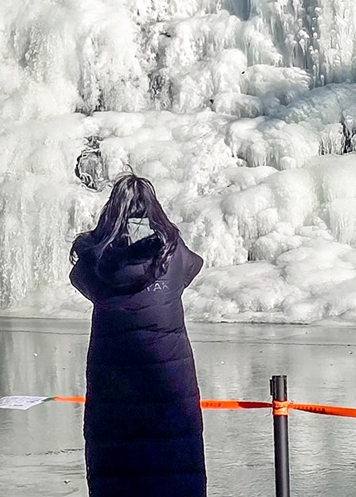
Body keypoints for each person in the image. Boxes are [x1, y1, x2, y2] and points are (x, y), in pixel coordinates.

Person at [69, 174, 206, 497]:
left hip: (113, 387)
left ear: (111, 212)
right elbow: (194, 265)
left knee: (118, 471)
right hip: (171, 385)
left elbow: (80, 279)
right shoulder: (174, 253)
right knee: (174, 465)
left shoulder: (95, 261)